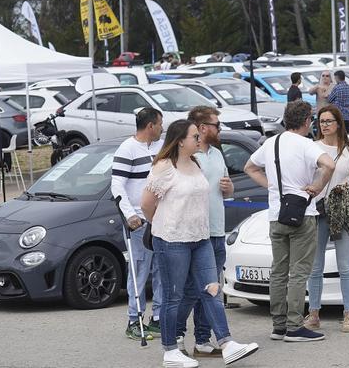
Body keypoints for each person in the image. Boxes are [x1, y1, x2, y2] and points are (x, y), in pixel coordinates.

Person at [142, 119, 259, 368]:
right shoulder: (164, 167)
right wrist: (162, 226)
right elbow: (146, 205)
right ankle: (170, 350)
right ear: (180, 140)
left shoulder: (195, 163)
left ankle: (227, 343)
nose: (199, 139)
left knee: (212, 290)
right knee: (174, 296)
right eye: (194, 136)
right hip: (172, 240)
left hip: (201, 238)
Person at [244, 100, 336, 342]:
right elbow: (329, 164)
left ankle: (279, 325)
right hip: (303, 213)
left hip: (276, 214)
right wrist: (316, 187)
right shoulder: (305, 144)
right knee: (299, 272)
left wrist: (273, 187)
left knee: (279, 271)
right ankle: (296, 326)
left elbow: (250, 167)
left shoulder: (271, 142)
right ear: (307, 121)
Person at [174, 106, 235, 358]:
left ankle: (202, 339)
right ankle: (176, 335)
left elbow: (227, 191)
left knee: (211, 289)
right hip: (195, 233)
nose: (219, 129)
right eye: (216, 125)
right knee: (191, 289)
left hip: (217, 229)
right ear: (202, 128)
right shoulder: (188, 155)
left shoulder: (218, 154)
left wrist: (229, 187)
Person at [305, 105, 349, 333]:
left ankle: (348, 314)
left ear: (339, 123)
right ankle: (314, 314)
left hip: (342, 209)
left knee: (345, 265)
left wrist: (346, 187)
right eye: (321, 121)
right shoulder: (312, 148)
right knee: (315, 265)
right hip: (318, 210)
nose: (325, 125)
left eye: (329, 121)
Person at [110, 107, 164, 341]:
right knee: (139, 271)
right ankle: (134, 320)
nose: (163, 128)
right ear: (150, 125)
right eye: (160, 124)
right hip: (139, 222)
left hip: (161, 219)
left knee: (162, 271)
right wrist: (130, 214)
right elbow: (117, 185)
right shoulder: (128, 148)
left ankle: (159, 318)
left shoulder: (160, 147)